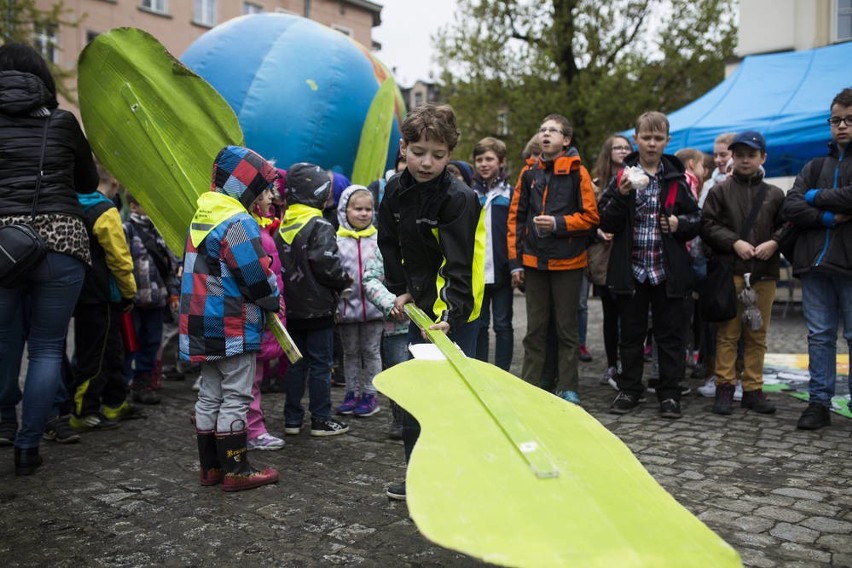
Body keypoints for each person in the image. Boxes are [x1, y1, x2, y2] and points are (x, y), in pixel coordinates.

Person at [0, 43, 99, 475]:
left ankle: (4, 423)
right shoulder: (62, 122)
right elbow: (88, 180)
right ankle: (27, 448)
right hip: (62, 241)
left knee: (4, 343)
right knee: (45, 348)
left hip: (3, 245)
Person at [378, 103, 484, 500]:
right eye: (418, 152)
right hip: (419, 303)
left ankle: (458, 473)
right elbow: (389, 241)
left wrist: (449, 316)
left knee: (453, 393)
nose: (426, 163)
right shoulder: (394, 188)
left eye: (437, 156)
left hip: (457, 310)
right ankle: (418, 474)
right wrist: (400, 287)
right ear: (403, 148)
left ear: (450, 155)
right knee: (417, 394)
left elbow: (458, 265)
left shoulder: (459, 197)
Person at [180, 145, 281, 491]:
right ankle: (237, 469)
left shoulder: (203, 215)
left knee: (209, 395)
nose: (265, 194)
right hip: (232, 325)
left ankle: (211, 468)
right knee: (237, 395)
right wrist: (272, 297)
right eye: (262, 186)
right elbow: (253, 277)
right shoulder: (237, 222)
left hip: (202, 323)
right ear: (246, 185)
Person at [598, 111, 701, 419]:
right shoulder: (623, 177)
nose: (652, 144)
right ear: (636, 139)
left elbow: (696, 220)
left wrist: (678, 222)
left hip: (666, 270)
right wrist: (620, 195)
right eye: (646, 138)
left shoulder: (676, 178)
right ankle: (629, 389)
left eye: (658, 139)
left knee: (670, 336)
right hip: (632, 269)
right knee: (630, 334)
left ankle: (669, 393)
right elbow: (605, 219)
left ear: (667, 141)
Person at [507, 113, 599, 405]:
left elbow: (590, 218)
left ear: (566, 140)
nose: (545, 134)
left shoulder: (578, 173)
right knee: (535, 329)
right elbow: (516, 219)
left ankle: (568, 386)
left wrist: (559, 224)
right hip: (534, 263)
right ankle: (532, 384)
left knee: (565, 329)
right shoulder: (528, 173)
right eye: (542, 129)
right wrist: (516, 262)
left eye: (553, 130)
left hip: (569, 264)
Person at [783, 87, 852, 430]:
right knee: (820, 335)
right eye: (836, 119)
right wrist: (826, 215)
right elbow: (791, 204)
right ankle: (819, 403)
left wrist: (815, 197)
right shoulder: (814, 166)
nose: (842, 126)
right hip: (815, 263)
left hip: (850, 265)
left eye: (849, 119)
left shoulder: (815, 176)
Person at [701, 131, 784, 415]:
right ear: (732, 157)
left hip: (764, 274)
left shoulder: (775, 194)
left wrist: (774, 243)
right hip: (731, 273)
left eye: (751, 155)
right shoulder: (719, 191)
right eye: (740, 155)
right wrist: (734, 241)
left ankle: (753, 389)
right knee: (728, 333)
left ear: (763, 157)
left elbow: (787, 226)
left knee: (757, 334)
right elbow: (707, 225)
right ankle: (725, 386)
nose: (745, 160)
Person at [276, 162, 352, 437]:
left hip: (291, 309)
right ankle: (321, 418)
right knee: (321, 364)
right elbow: (327, 264)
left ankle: (292, 419)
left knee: (297, 363)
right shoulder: (319, 224)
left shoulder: (283, 224)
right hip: (318, 308)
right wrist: (343, 280)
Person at [69, 163, 139, 434]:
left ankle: (113, 401)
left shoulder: (71, 204)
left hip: (79, 290)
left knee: (104, 349)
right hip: (105, 293)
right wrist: (129, 291)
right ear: (114, 182)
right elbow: (120, 259)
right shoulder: (105, 210)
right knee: (99, 354)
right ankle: (82, 411)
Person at [123, 195, 179, 404]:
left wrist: (173, 291)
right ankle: (125, 383)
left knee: (152, 341)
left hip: (157, 298)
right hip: (134, 299)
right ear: (134, 206)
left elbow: (169, 265)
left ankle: (144, 383)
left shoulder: (158, 231)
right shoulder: (127, 230)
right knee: (130, 342)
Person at [335, 185, 384, 417]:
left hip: (374, 309)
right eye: (358, 209)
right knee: (351, 352)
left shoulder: (379, 240)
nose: (364, 214)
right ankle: (351, 392)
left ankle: (370, 393)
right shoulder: (337, 241)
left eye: (368, 209)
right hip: (346, 308)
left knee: (372, 351)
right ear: (345, 211)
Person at [588, 135, 632, 386]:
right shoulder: (596, 184)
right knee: (610, 312)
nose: (623, 151)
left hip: (627, 250)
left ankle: (627, 361)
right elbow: (590, 218)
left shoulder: (637, 177)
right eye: (618, 147)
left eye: (627, 147)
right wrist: (597, 231)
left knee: (628, 312)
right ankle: (612, 363)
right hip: (604, 254)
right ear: (608, 152)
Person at [247, 182, 287, 451]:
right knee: (250, 378)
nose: (272, 196)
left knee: (252, 375)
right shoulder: (254, 232)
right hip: (255, 315)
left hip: (259, 314)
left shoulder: (260, 228)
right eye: (266, 191)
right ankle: (252, 430)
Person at [471, 136, 514, 371]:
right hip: (476, 272)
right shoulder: (469, 193)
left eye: (489, 159)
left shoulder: (510, 193)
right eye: (479, 159)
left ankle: (502, 371)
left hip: (502, 269)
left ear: (501, 162)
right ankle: (481, 371)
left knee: (503, 324)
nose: (484, 164)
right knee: (479, 325)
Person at [362, 247, 408, 439]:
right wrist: (391, 303)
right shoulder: (385, 246)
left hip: (430, 324)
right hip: (396, 325)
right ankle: (401, 419)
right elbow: (370, 279)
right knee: (397, 374)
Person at [700, 132, 736, 207]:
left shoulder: (750, 182)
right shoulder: (708, 184)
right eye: (715, 155)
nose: (717, 160)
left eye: (723, 155)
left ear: (736, 154)